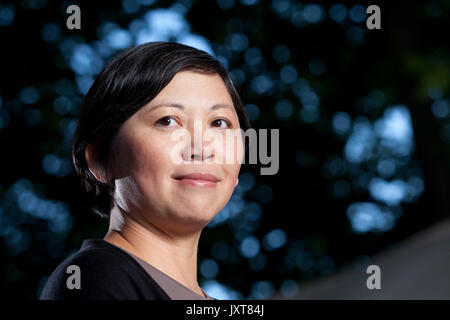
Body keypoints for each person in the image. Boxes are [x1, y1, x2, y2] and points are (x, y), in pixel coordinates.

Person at [40, 41, 251, 300]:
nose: (201, 148)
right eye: (168, 121)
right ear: (100, 160)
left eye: (220, 123)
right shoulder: (92, 280)